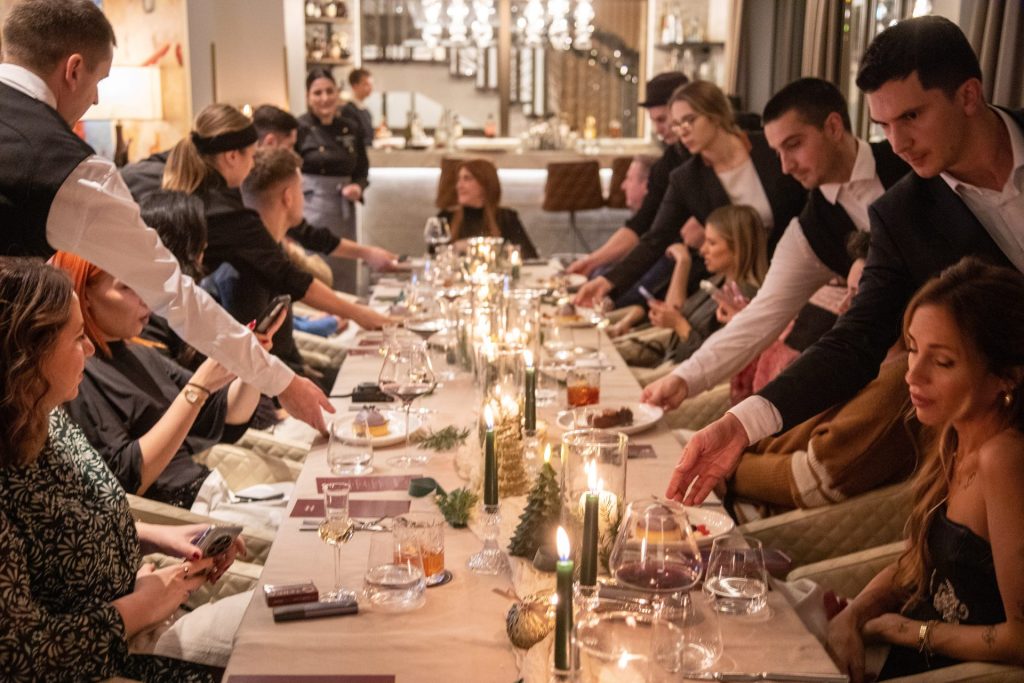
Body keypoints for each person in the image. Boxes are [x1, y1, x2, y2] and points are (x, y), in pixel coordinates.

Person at [666, 16, 1024, 506]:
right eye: (884, 126)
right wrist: (739, 423)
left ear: (967, 96)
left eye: (912, 118)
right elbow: (854, 341)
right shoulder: (901, 215)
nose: (897, 143)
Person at [0, 0, 330, 433]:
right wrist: (282, 381)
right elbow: (174, 294)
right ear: (74, 69)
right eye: (98, 80)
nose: (96, 97)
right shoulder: (68, 170)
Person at [0, 258, 245, 680]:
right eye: (77, 337)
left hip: (148, 608)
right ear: (30, 353)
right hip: (110, 660)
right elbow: (23, 654)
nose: (90, 348)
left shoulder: (50, 417)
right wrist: (140, 607)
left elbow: (74, 521)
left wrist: (155, 536)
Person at [643, 78, 909, 412]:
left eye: (794, 144)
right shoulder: (811, 229)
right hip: (886, 371)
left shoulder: (908, 163)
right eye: (777, 152)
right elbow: (760, 316)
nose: (785, 166)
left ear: (833, 126)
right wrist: (685, 378)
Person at [825, 258, 1024, 681]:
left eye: (943, 362)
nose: (912, 374)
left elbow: (1020, 638)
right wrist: (854, 614)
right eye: (913, 348)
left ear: (1005, 377)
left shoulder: (1004, 459)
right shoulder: (954, 431)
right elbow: (919, 564)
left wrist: (910, 631)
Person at [53, 250, 271, 510]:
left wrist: (253, 365)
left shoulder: (139, 352)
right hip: (179, 514)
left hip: (211, 493)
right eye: (126, 287)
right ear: (83, 296)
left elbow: (226, 416)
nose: (144, 298)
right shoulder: (79, 375)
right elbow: (124, 479)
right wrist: (197, 389)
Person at [729, 231, 927, 510]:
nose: (845, 306)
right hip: (744, 487)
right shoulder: (850, 359)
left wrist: (729, 465)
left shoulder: (901, 381)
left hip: (767, 515)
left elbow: (813, 479)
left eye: (859, 295)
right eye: (847, 292)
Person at [161, 103, 391, 338]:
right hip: (178, 331)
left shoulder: (196, 196)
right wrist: (360, 314)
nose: (252, 164)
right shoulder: (227, 214)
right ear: (231, 156)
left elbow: (303, 244)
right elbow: (291, 278)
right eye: (251, 155)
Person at [575, 80, 805, 308]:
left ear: (715, 115)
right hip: (742, 286)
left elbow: (805, 204)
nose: (682, 131)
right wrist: (609, 281)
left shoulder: (770, 149)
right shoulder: (687, 179)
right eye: (677, 124)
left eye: (690, 120)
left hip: (797, 270)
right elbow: (655, 240)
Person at [568, 72, 692, 277]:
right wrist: (592, 261)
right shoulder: (667, 163)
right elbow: (643, 225)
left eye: (662, 120)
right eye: (653, 121)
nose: (658, 130)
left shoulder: (699, 161)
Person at [255, 103, 398, 271]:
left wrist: (367, 253)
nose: (293, 153)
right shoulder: (253, 187)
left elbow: (309, 235)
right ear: (270, 142)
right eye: (289, 146)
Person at [639, 205, 767, 376]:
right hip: (671, 367)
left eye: (712, 243)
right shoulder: (717, 281)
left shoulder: (744, 297)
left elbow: (718, 361)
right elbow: (678, 313)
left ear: (738, 248)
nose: (702, 250)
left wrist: (679, 324)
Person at [297, 68, 370, 293]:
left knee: (345, 270)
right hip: (310, 208)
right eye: (317, 93)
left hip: (343, 211)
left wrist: (357, 186)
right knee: (314, 271)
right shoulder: (299, 128)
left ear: (337, 93)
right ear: (308, 97)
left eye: (330, 91)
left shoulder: (350, 126)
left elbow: (362, 169)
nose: (325, 98)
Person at [439, 158, 539, 259]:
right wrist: (455, 248)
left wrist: (481, 248)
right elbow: (433, 257)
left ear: (485, 184)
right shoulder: (446, 217)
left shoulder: (506, 217)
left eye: (467, 179)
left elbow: (529, 257)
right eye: (459, 179)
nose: (459, 186)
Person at [341, 67, 374, 147]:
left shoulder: (365, 110)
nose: (370, 88)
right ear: (355, 86)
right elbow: (352, 139)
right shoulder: (348, 110)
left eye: (371, 84)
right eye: (366, 84)